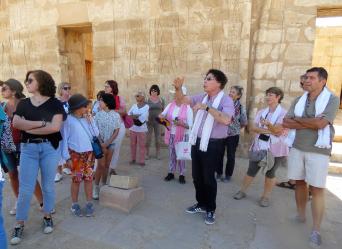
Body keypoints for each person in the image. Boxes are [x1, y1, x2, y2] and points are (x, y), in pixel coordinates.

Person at [283, 67, 339, 247]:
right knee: (298, 182)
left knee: (316, 189)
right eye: (306, 77)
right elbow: (286, 121)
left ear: (322, 81)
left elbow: (321, 123)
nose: (306, 80)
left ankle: (316, 230)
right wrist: (312, 122)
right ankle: (301, 215)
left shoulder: (331, 99)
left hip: (318, 150)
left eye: (311, 78)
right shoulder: (299, 100)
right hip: (297, 146)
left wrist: (300, 121)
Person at [10, 70, 66, 245]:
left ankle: (47, 215)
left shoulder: (55, 104)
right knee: (26, 188)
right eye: (26, 80)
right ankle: (19, 223)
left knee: (48, 185)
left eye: (30, 80)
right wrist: (42, 123)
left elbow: (55, 127)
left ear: (41, 82)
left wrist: (28, 128)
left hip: (50, 148)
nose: (26, 83)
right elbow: (16, 123)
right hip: (28, 149)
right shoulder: (24, 104)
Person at [173, 69, 234, 225]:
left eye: (209, 79)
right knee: (197, 177)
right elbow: (182, 101)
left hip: (213, 144)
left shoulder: (226, 101)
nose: (205, 81)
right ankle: (201, 204)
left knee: (208, 178)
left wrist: (206, 108)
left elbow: (226, 120)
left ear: (218, 83)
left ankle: (210, 209)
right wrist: (178, 88)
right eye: (205, 78)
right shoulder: (202, 97)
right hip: (197, 141)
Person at [233, 87, 288, 207]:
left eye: (271, 95)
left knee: (270, 173)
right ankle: (242, 191)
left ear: (278, 97)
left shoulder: (284, 114)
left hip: (275, 149)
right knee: (251, 170)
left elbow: (278, 130)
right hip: (259, 146)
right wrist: (270, 130)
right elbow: (253, 128)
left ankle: (265, 197)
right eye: (267, 94)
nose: (267, 97)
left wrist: (268, 126)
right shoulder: (261, 112)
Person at [0, 79, 44, 215]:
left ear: (13, 91)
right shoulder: (2, 106)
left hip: (23, 145)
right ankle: (19, 201)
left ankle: (43, 202)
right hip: (6, 147)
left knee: (28, 175)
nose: (1, 91)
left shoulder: (26, 106)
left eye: (4, 88)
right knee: (13, 175)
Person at [61, 94, 98, 217]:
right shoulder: (67, 121)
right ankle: (74, 204)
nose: (87, 108)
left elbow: (96, 133)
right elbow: (64, 139)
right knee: (76, 180)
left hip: (89, 154)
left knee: (88, 179)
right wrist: (67, 157)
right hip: (76, 155)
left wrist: (91, 121)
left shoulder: (88, 118)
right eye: (84, 106)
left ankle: (89, 203)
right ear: (77, 108)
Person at [160, 86, 193, 184]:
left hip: (183, 136)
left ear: (182, 95)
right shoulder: (170, 105)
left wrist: (180, 123)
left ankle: (182, 174)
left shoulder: (188, 108)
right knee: (172, 155)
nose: (174, 94)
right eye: (174, 93)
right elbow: (163, 115)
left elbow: (190, 126)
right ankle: (171, 172)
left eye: (176, 93)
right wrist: (161, 117)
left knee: (181, 155)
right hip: (171, 134)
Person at [93, 93, 121, 200]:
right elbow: (95, 130)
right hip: (100, 143)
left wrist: (108, 143)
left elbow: (116, 130)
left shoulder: (115, 115)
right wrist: (102, 143)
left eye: (101, 100)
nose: (99, 102)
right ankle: (96, 187)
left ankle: (104, 185)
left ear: (107, 102)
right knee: (101, 165)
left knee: (107, 165)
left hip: (111, 143)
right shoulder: (98, 115)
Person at [217, 85, 247, 182]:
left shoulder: (241, 107)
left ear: (238, 96)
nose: (230, 93)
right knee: (219, 153)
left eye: (233, 92)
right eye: (230, 91)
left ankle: (228, 175)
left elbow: (243, 122)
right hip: (221, 132)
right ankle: (219, 173)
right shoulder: (223, 104)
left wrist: (235, 129)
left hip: (233, 135)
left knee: (231, 155)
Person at [104, 80, 126, 175]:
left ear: (112, 88)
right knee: (104, 147)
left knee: (116, 148)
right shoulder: (102, 98)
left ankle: (112, 168)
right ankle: (100, 169)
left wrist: (112, 110)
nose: (105, 88)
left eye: (107, 86)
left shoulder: (119, 98)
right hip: (105, 127)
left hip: (118, 125)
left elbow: (124, 112)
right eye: (105, 86)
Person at [55, 82, 72, 182]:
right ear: (60, 89)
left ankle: (66, 167)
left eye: (69, 88)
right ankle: (58, 172)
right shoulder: (57, 101)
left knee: (69, 147)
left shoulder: (71, 101)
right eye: (65, 88)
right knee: (58, 148)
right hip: (60, 128)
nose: (68, 90)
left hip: (70, 128)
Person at [128, 91, 149, 166]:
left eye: (138, 96)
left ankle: (142, 161)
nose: (136, 97)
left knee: (142, 145)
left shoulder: (147, 106)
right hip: (133, 128)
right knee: (132, 144)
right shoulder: (134, 105)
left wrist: (134, 116)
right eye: (136, 96)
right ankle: (133, 159)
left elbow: (143, 117)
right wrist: (135, 116)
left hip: (142, 129)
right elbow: (128, 114)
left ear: (143, 97)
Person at [146, 84, 165, 160]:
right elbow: (144, 110)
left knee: (158, 138)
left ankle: (158, 153)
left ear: (158, 92)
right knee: (148, 138)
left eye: (155, 90)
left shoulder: (161, 100)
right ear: (150, 91)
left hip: (158, 122)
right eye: (152, 90)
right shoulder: (147, 100)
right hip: (149, 122)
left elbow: (163, 110)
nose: (153, 92)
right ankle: (146, 154)